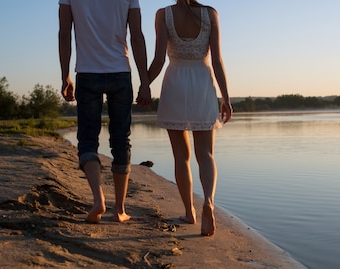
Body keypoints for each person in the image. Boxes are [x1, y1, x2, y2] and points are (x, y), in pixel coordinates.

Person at [59, 0, 152, 223]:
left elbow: (64, 33)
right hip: (120, 71)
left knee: (88, 140)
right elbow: (137, 35)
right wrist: (145, 81)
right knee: (121, 140)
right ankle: (119, 209)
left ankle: (98, 198)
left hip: (87, 73)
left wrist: (65, 75)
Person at [147, 0, 232, 236]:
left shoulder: (163, 14)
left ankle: (189, 212)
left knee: (181, 157)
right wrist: (225, 97)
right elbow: (217, 61)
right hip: (202, 83)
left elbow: (158, 60)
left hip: (175, 82)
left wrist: (144, 84)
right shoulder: (210, 14)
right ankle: (209, 203)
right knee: (205, 154)